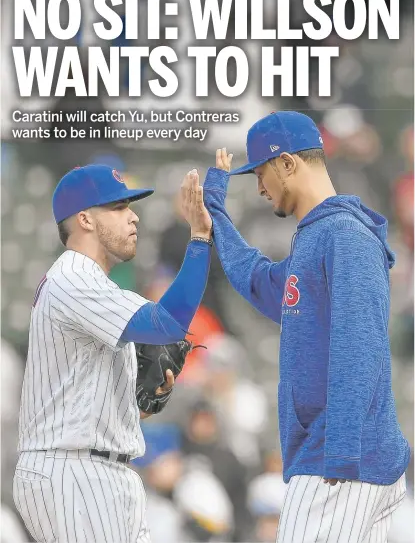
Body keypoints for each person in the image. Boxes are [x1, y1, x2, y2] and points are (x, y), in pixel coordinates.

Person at [201, 111, 410, 542]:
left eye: (260, 173)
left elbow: (360, 347)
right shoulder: (317, 235)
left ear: (288, 164)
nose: (259, 187)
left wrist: (339, 457)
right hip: (345, 462)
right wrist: (216, 215)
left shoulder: (344, 235)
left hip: (340, 463)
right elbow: (260, 283)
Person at [13, 163, 213, 543]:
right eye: (119, 207)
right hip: (72, 471)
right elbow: (166, 323)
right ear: (85, 219)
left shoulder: (95, 287)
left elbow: (85, 397)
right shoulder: (72, 279)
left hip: (99, 470)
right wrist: (200, 237)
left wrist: (145, 399)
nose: (133, 216)